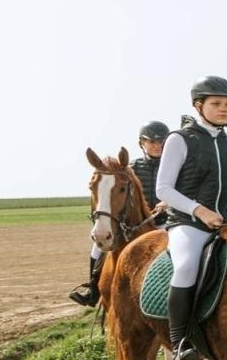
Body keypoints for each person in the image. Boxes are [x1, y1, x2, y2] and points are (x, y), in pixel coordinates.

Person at [154, 76, 227, 360]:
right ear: (198, 105)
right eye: (217, 104)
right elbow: (164, 189)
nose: (224, 109)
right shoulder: (179, 139)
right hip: (187, 223)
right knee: (186, 265)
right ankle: (180, 343)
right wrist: (200, 211)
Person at [68, 119, 169, 307]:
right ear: (142, 144)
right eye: (151, 142)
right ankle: (93, 289)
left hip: (166, 221)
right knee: (97, 248)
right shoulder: (132, 168)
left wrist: (168, 203)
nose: (157, 146)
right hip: (136, 222)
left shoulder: (174, 166)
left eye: (161, 142)